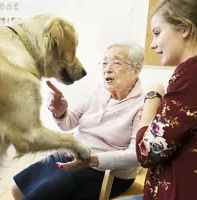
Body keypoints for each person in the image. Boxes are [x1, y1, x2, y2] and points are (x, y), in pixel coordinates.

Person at [11, 43, 145, 200]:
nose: (107, 69)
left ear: (136, 69)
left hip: (105, 170)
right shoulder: (98, 91)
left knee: (40, 195)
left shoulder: (143, 104)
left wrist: (93, 160)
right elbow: (68, 123)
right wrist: (60, 112)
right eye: (105, 62)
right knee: (17, 188)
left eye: (116, 63)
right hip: (74, 154)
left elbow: (137, 155)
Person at [119, 0, 197, 200]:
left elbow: (146, 152)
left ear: (185, 29)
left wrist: (153, 97)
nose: (152, 44)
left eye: (157, 32)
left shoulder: (190, 75)